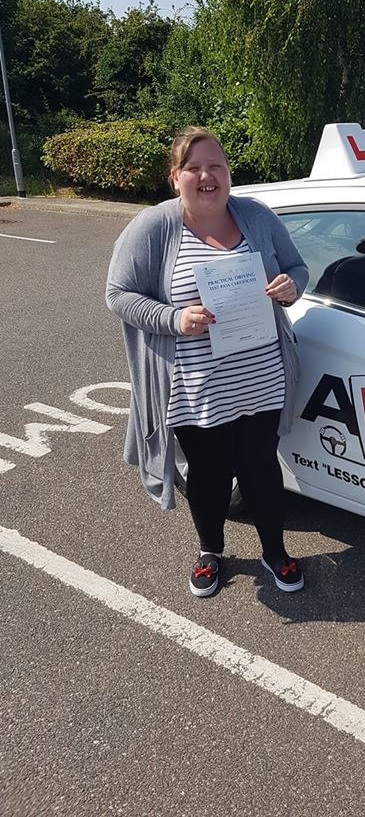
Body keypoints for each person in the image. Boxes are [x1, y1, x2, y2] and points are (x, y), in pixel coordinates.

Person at [106, 126, 309, 598]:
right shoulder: (154, 227)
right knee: (209, 474)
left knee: (261, 468)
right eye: (193, 167)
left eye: (215, 165)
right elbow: (118, 295)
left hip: (261, 378)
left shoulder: (256, 216)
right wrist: (174, 319)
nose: (206, 176)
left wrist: (291, 287)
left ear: (228, 173)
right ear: (175, 176)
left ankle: (274, 552)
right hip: (196, 387)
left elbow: (297, 268)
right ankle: (211, 551)